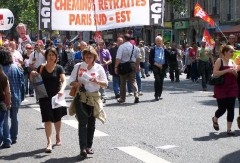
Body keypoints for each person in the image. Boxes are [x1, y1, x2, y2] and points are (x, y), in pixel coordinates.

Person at [69, 45, 108, 159]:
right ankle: (82, 147)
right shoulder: (78, 66)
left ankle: (89, 146)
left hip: (94, 97)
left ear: (94, 57)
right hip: (81, 96)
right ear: (83, 57)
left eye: (90, 57)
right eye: (86, 57)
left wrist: (97, 81)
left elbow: (105, 83)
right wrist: (77, 84)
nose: (88, 59)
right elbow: (71, 81)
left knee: (91, 122)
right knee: (82, 122)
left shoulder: (99, 68)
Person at [30, 48, 67, 153]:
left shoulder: (59, 68)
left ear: (56, 57)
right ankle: (49, 142)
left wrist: (62, 90)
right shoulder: (41, 68)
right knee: (47, 119)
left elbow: (64, 81)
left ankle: (58, 135)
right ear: (46, 56)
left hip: (57, 96)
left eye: (53, 55)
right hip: (44, 97)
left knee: (57, 118)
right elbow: (34, 80)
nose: (51, 57)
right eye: (49, 55)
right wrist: (32, 75)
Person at [0, 49, 25, 148]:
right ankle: (14, 136)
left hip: (4, 98)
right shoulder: (16, 67)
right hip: (16, 96)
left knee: (4, 119)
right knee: (14, 118)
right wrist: (22, 96)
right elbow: (22, 83)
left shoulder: (1, 69)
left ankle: (7, 140)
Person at [212, 45, 238, 135]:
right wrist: (227, 71)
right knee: (222, 109)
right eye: (231, 52)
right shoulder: (219, 61)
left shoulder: (232, 61)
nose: (232, 53)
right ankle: (215, 118)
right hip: (221, 87)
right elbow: (215, 73)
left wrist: (235, 73)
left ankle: (229, 129)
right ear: (225, 52)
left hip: (232, 87)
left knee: (231, 109)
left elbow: (236, 75)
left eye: (233, 52)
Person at [115, 34, 140, 103]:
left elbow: (118, 58)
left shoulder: (121, 47)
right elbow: (138, 58)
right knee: (133, 81)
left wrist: (116, 67)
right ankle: (136, 94)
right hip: (132, 64)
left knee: (123, 82)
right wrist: (137, 66)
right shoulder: (134, 47)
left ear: (124, 39)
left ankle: (122, 98)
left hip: (123, 65)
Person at [149, 36, 168, 101]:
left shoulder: (164, 49)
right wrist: (157, 64)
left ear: (162, 42)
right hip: (156, 65)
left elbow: (169, 56)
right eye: (158, 41)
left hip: (163, 66)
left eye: (160, 41)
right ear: (155, 42)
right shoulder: (153, 49)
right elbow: (150, 60)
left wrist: (166, 49)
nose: (159, 42)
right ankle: (156, 94)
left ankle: (159, 94)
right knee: (157, 80)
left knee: (161, 80)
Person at [0, 66, 11, 147]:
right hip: (1, 104)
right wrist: (8, 103)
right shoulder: (3, 77)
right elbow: (7, 92)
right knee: (2, 124)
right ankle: (6, 140)